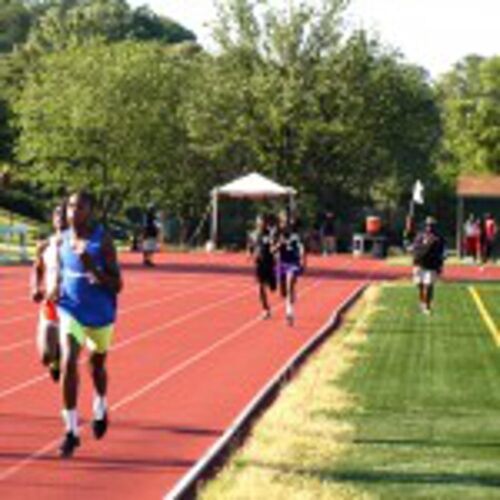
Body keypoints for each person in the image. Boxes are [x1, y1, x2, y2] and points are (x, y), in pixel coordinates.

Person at [57, 191, 123, 458]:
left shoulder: (102, 242)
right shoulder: (61, 239)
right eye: (71, 206)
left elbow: (117, 285)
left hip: (100, 314)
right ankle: (71, 431)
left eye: (80, 207)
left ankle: (100, 404)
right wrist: (50, 285)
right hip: (70, 310)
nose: (73, 211)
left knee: (96, 367)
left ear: (91, 211)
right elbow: (56, 270)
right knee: (68, 360)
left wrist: (91, 268)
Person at [31, 202, 68, 382]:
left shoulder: (79, 243)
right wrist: (35, 287)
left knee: (70, 351)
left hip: (73, 305)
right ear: (53, 220)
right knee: (46, 355)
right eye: (56, 215)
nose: (60, 218)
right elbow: (37, 269)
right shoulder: (45, 246)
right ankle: (55, 359)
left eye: (63, 214)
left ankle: (62, 356)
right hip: (51, 303)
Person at [275, 211, 306, 326]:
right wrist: (278, 244)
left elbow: (302, 248)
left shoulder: (296, 234)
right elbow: (272, 250)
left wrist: (303, 261)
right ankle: (290, 296)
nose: (285, 223)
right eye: (283, 221)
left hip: (293, 263)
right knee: (283, 291)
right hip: (282, 263)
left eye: (287, 221)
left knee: (289, 285)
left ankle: (289, 313)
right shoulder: (277, 233)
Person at [412, 216, 445, 315]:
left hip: (431, 266)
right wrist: (415, 261)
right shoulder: (420, 236)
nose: (429, 227)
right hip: (419, 264)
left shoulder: (438, 238)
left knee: (429, 286)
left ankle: (427, 306)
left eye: (431, 225)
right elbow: (415, 249)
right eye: (427, 225)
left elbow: (441, 254)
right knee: (420, 285)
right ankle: (422, 303)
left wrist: (439, 266)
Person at [249, 214, 277, 319]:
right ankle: (266, 310)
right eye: (259, 221)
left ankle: (273, 282)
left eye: (262, 221)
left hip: (269, 263)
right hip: (259, 263)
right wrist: (251, 254)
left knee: (272, 288)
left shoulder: (270, 234)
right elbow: (251, 247)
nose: (260, 223)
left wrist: (274, 250)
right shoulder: (253, 234)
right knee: (260, 286)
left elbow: (274, 246)